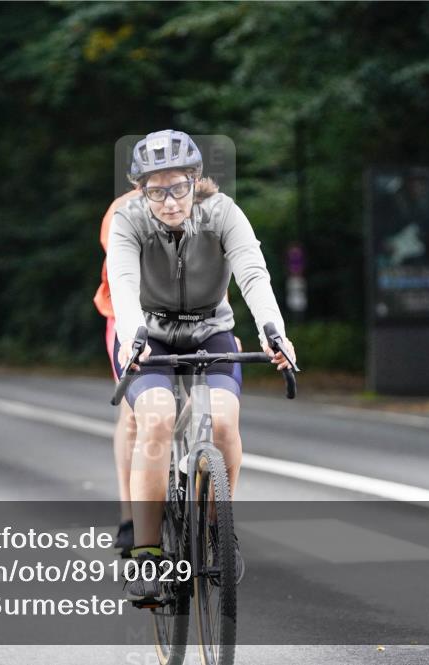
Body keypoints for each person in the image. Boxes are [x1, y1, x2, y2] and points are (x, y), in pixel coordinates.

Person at [107, 130, 296, 604]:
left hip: (211, 329)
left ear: (196, 180)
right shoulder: (127, 221)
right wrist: (133, 338)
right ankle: (147, 553)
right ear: (140, 189)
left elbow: (253, 272)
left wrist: (273, 330)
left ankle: (218, 532)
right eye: (156, 190)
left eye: (178, 187)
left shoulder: (224, 213)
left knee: (226, 424)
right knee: (155, 420)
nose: (169, 201)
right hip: (147, 336)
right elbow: (124, 285)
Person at [95, 187, 143, 558]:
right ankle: (130, 515)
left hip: (182, 319)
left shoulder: (197, 205)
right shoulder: (121, 210)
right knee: (132, 414)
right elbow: (124, 276)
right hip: (126, 316)